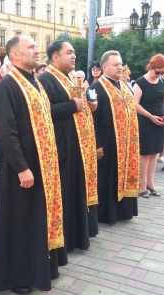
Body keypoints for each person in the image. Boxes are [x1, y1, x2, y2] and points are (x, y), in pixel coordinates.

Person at [0, 35, 65, 295]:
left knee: (36, 219)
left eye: (36, 44)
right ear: (15, 55)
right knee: (19, 221)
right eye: (30, 47)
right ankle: (17, 275)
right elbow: (6, 133)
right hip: (21, 169)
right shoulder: (5, 88)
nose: (36, 49)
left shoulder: (36, 84)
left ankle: (41, 266)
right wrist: (22, 168)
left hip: (42, 165)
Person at [38, 40, 98, 253]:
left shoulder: (71, 77)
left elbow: (80, 103)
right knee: (64, 192)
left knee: (75, 190)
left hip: (77, 145)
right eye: (69, 53)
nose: (74, 56)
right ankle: (64, 238)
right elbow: (44, 111)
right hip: (62, 145)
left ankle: (76, 235)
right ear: (55, 57)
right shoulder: (45, 79)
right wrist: (73, 105)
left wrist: (88, 105)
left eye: (74, 53)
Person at [91, 50, 139, 224]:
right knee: (107, 178)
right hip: (108, 142)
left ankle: (123, 211)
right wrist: (97, 144)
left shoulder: (124, 86)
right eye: (115, 64)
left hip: (126, 143)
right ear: (104, 67)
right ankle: (107, 214)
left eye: (120, 64)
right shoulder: (96, 88)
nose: (120, 67)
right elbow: (91, 119)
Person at [133, 54, 164, 198]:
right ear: (150, 67)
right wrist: (150, 116)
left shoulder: (162, 82)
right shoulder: (140, 83)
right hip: (145, 121)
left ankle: (150, 183)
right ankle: (141, 185)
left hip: (160, 121)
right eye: (158, 72)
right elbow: (135, 104)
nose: (160, 75)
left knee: (154, 153)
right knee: (144, 154)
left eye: (163, 72)